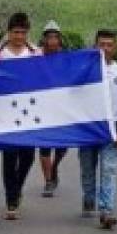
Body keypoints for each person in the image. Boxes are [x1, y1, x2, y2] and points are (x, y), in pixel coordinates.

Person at [78, 29, 117, 229]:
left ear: (115, 48)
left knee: (108, 169)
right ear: (95, 46)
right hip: (89, 127)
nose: (105, 49)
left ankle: (106, 210)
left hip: (112, 127)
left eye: (109, 45)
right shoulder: (85, 71)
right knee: (87, 168)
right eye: (102, 45)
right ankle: (89, 198)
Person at [0, 12, 41, 220]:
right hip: (6, 111)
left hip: (29, 109)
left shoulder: (35, 53)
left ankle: (17, 187)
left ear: (27, 33)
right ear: (8, 32)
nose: (19, 36)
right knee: (9, 156)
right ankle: (11, 199)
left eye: (22, 32)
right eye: (15, 32)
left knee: (28, 156)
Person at [37, 20, 69, 197]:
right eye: (49, 37)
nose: (52, 41)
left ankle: (54, 167)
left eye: (55, 37)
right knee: (44, 147)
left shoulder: (66, 58)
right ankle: (48, 181)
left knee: (62, 147)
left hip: (61, 107)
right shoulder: (36, 58)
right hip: (42, 107)